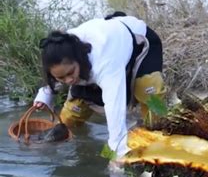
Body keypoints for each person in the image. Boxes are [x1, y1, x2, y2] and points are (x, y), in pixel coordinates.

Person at [33, 12, 165, 161]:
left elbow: (115, 109)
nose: (68, 80)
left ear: (79, 60)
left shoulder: (105, 64)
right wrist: (46, 94)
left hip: (140, 42)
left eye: (71, 73)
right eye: (61, 78)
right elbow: (58, 72)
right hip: (101, 50)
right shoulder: (59, 46)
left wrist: (118, 155)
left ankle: (158, 136)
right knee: (69, 119)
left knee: (147, 88)